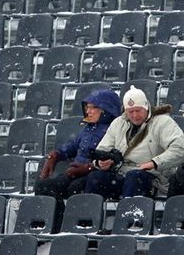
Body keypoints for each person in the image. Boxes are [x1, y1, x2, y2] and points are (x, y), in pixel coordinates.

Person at [84, 86, 184, 199]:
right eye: (130, 111)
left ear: (146, 107)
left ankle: (131, 214)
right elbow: (102, 150)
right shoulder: (118, 123)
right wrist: (100, 163)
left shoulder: (163, 122)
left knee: (135, 177)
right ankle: (90, 214)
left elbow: (181, 148)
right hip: (121, 174)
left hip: (153, 177)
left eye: (138, 110)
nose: (134, 115)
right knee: (96, 178)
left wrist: (154, 163)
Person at [35, 88, 121, 226]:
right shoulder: (87, 129)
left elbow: (112, 159)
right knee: (44, 186)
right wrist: (57, 154)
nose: (88, 111)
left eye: (94, 107)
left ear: (106, 110)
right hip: (74, 173)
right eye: (88, 107)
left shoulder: (114, 130)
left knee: (74, 189)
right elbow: (73, 146)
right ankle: (55, 225)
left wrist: (88, 167)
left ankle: (82, 227)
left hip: (95, 175)